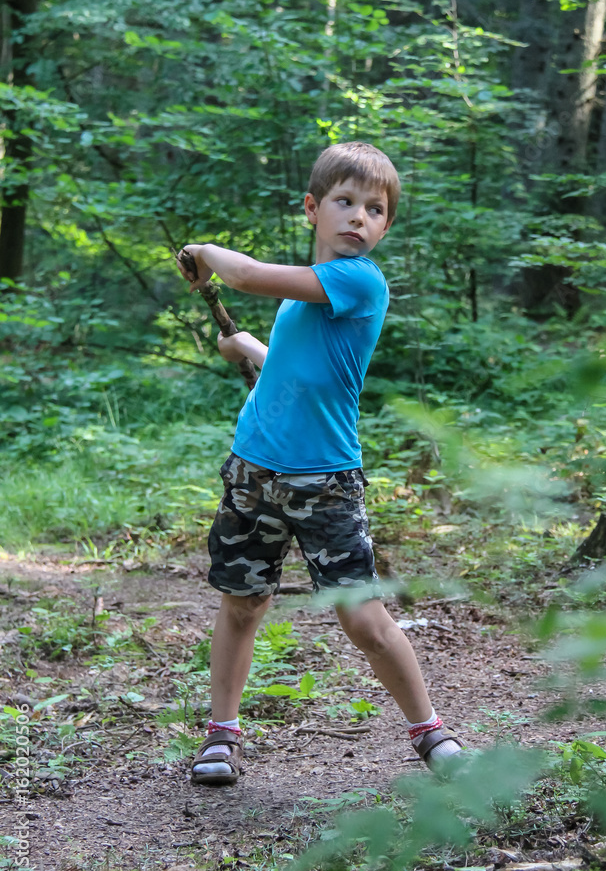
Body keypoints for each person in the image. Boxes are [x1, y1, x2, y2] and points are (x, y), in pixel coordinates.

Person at [176, 141, 463, 786]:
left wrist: (205, 256)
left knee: (362, 615)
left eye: (375, 209)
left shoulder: (359, 281)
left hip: (325, 481)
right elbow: (294, 368)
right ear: (313, 208)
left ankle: (430, 732)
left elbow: (245, 275)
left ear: (385, 226)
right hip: (254, 470)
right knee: (243, 604)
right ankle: (222, 736)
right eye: (344, 202)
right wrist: (244, 345)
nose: (358, 217)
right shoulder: (306, 295)